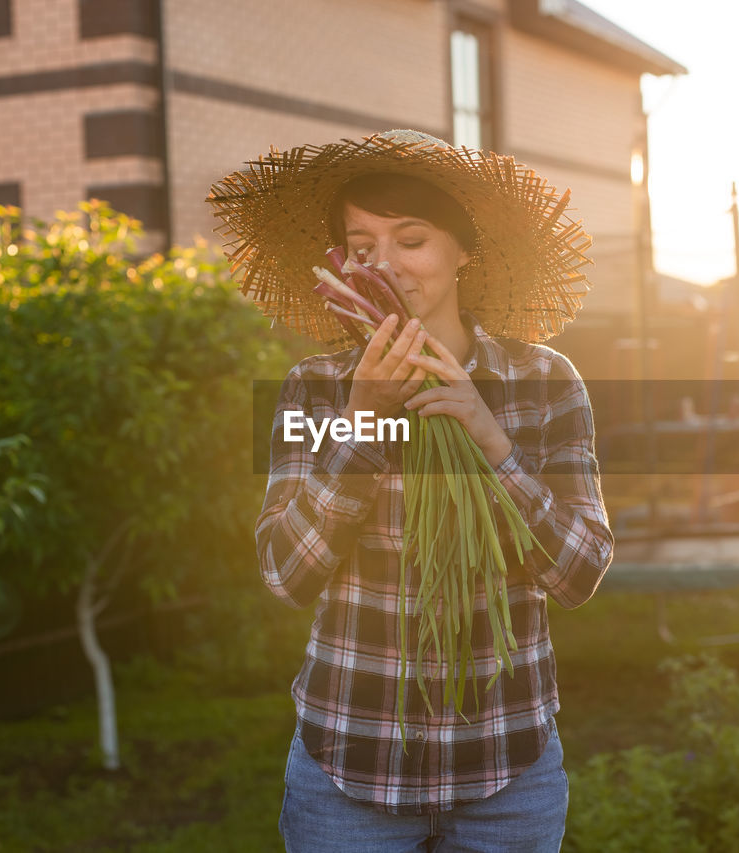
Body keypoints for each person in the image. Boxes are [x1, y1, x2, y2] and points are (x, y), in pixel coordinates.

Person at [208, 129, 614, 852]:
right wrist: (365, 421)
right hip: (350, 768)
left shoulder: (543, 383)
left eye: (412, 238)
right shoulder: (316, 387)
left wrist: (492, 442)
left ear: (464, 250)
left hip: (504, 765)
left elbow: (579, 573)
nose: (385, 264)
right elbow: (285, 572)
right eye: (362, 246)